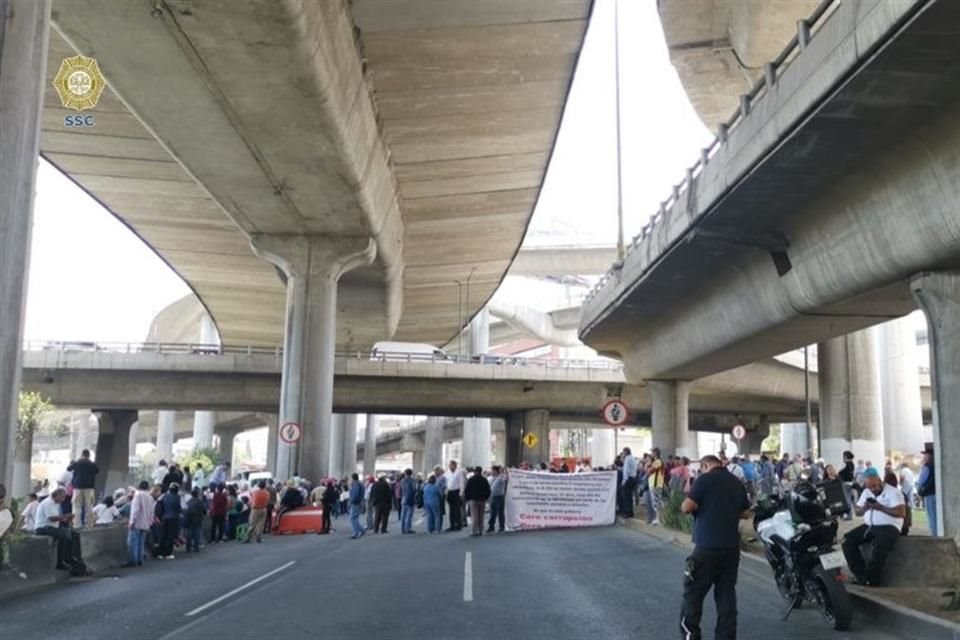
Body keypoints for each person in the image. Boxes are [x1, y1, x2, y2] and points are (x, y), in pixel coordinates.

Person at [679, 455, 750, 640]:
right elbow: (745, 512)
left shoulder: (704, 480)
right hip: (731, 548)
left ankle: (691, 636)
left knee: (693, 594)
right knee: (726, 596)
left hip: (706, 547)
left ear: (705, 465)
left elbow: (686, 507)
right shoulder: (736, 482)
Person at [841, 467, 905, 586]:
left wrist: (881, 507)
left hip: (889, 526)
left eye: (875, 486)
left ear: (880, 481)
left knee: (879, 547)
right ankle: (861, 576)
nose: (873, 489)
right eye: (870, 487)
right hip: (869, 525)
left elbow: (901, 513)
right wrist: (865, 508)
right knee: (847, 541)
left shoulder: (893, 492)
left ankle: (873, 580)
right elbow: (858, 512)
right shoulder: (866, 492)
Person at [33, 489, 90, 575]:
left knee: (73, 534)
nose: (63, 500)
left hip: (52, 526)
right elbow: (51, 518)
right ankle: (61, 561)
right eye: (62, 497)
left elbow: (58, 519)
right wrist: (64, 516)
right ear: (57, 495)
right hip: (43, 527)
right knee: (64, 535)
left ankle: (72, 557)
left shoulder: (56, 504)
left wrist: (67, 519)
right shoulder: (48, 503)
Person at [67, 449, 99, 528]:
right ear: (89, 456)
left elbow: (68, 468)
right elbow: (97, 471)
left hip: (77, 488)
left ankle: (77, 525)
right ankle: (89, 524)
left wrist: (77, 462)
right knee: (89, 506)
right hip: (89, 488)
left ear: (82, 455)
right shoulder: (92, 464)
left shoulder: (77, 463)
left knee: (77, 507)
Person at [125, 481, 154, 567]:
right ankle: (140, 559)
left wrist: (131, 522)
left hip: (137, 522)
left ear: (139, 486)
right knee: (141, 542)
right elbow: (152, 512)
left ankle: (133, 560)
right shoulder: (150, 497)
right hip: (145, 523)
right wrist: (150, 522)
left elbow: (135, 510)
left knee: (132, 542)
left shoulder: (138, 495)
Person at [463, 466, 491, 537]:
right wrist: (486, 498)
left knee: (474, 516)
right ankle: (481, 530)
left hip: (473, 500)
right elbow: (488, 490)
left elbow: (467, 490)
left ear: (475, 471)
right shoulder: (484, 480)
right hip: (482, 500)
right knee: (481, 516)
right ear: (481, 471)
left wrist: (468, 498)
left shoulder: (471, 479)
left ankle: (474, 531)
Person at [157, 483, 182, 559]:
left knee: (163, 535)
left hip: (164, 518)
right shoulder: (178, 497)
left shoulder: (163, 496)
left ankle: (160, 553)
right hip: (174, 518)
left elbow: (159, 505)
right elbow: (181, 508)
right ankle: (168, 553)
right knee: (170, 536)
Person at [916, 447, 937, 536]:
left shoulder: (927, 467)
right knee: (935, 516)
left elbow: (921, 481)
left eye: (925, 455)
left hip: (929, 494)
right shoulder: (935, 465)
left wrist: (919, 489)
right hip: (935, 493)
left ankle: (934, 535)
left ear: (929, 456)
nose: (924, 457)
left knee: (931, 516)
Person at [445, 460, 466, 531]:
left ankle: (459, 525)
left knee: (457, 509)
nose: (450, 466)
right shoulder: (447, 473)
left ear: (455, 465)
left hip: (457, 492)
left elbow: (462, 483)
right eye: (449, 465)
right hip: (450, 492)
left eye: (451, 465)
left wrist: (461, 493)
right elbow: (446, 483)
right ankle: (452, 525)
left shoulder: (459, 472)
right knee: (451, 510)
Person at [646, 448, 665, 526]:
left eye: (652, 452)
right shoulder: (656, 461)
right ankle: (659, 519)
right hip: (653, 484)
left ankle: (659, 519)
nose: (651, 454)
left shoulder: (658, 461)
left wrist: (648, 465)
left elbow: (650, 471)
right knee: (656, 501)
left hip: (656, 484)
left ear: (656, 453)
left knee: (656, 502)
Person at [184, 487, 206, 552]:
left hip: (189, 519)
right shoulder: (199, 501)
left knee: (189, 533)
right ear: (197, 494)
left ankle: (188, 547)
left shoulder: (188, 502)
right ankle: (196, 547)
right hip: (198, 519)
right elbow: (204, 510)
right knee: (196, 533)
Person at [487, 466, 507, 533]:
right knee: (492, 513)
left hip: (499, 497)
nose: (491, 472)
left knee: (500, 513)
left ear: (496, 471)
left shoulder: (501, 477)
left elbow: (506, 478)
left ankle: (502, 526)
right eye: (491, 470)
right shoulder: (490, 478)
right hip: (492, 497)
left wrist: (503, 472)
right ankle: (491, 527)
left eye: (493, 470)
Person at [621, 447, 638, 518]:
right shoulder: (633, 458)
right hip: (633, 478)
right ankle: (631, 512)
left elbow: (626, 471)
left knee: (626, 497)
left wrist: (624, 481)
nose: (623, 454)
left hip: (628, 479)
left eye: (623, 452)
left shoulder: (627, 459)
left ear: (626, 452)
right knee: (630, 496)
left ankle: (627, 513)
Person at [347, 474, 365, 539]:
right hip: (359, 502)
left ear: (352, 478)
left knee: (352, 518)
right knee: (355, 517)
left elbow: (355, 494)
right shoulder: (360, 484)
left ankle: (356, 532)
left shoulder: (355, 484)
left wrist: (351, 501)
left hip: (355, 503)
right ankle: (361, 530)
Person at [400, 469, 417, 534]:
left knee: (403, 515)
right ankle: (408, 528)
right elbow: (414, 489)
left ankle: (403, 529)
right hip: (410, 498)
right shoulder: (412, 480)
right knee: (409, 515)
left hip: (403, 498)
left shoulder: (402, 480)